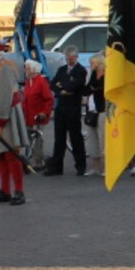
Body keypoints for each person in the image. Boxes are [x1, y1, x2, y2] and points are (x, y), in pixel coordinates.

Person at [0, 40, 30, 205]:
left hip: (4, 117)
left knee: (11, 153)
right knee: (1, 154)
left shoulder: (3, 68)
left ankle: (19, 191)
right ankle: (5, 190)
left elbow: (4, 98)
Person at [46, 45, 87, 176]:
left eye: (73, 58)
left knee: (76, 137)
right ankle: (57, 166)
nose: (70, 61)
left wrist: (64, 86)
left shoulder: (81, 70)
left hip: (73, 107)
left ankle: (80, 166)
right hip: (61, 107)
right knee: (59, 138)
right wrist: (63, 89)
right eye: (68, 58)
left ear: (77, 57)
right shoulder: (61, 70)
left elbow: (76, 85)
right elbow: (53, 84)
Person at [83, 54, 106, 177]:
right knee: (92, 140)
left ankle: (106, 168)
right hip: (91, 110)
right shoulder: (92, 74)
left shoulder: (107, 75)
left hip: (103, 109)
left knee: (103, 139)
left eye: (93, 63)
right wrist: (94, 88)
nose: (91, 65)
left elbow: (102, 90)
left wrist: (93, 88)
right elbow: (86, 90)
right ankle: (96, 168)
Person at [22, 59, 53, 132]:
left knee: (37, 141)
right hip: (28, 117)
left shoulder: (41, 81)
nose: (25, 70)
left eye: (27, 68)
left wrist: (45, 112)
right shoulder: (28, 81)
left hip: (38, 117)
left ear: (33, 70)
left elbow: (49, 99)